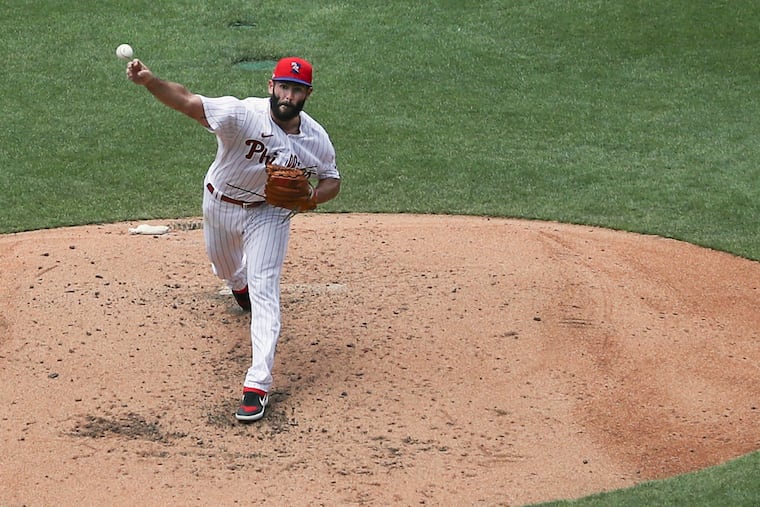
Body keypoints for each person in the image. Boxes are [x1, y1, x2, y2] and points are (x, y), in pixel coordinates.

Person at [126, 56, 341, 422]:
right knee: (224, 265)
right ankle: (236, 281)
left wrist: (308, 198)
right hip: (221, 201)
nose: (289, 95)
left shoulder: (315, 139)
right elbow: (187, 101)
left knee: (266, 290)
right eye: (284, 87)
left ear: (307, 94)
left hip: (270, 213)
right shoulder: (243, 115)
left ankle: (257, 384)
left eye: (297, 90)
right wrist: (150, 82)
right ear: (271, 86)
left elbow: (331, 181)